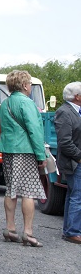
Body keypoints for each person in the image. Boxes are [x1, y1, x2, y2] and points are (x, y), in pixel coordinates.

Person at [0, 70, 47, 247]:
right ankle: (28, 233)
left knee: (11, 190)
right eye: (30, 84)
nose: (31, 87)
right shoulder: (27, 103)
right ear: (25, 85)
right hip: (25, 152)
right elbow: (35, 130)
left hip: (9, 151)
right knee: (29, 192)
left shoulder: (5, 104)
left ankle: (10, 229)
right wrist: (41, 155)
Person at [54, 82, 81, 244]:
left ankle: (71, 230)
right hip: (74, 162)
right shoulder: (64, 112)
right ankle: (72, 232)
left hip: (76, 160)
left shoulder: (75, 112)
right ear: (77, 96)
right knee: (77, 197)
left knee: (74, 196)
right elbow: (64, 142)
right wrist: (79, 157)